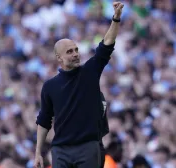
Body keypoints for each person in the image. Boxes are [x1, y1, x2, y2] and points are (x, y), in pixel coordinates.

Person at [33, 1, 124, 168]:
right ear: (59, 58)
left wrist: (115, 19)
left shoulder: (89, 72)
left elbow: (107, 45)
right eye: (69, 52)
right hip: (60, 150)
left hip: (88, 147)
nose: (75, 54)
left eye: (76, 50)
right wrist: (38, 151)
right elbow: (44, 120)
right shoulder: (49, 87)